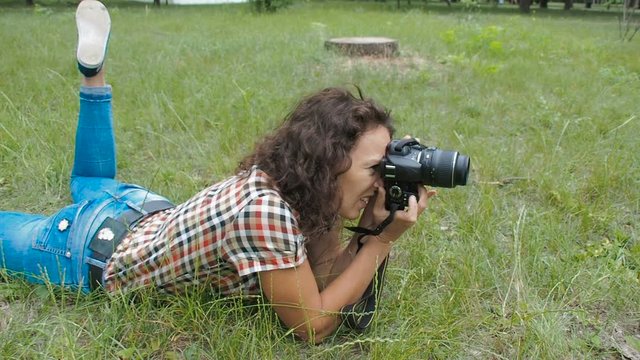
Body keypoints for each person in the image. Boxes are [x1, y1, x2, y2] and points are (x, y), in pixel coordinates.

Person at [0, 0, 436, 343]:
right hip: (86, 251)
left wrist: (370, 229)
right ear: (328, 163)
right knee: (76, 196)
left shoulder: (300, 189)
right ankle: (92, 76)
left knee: (92, 184)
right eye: (375, 169)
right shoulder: (266, 212)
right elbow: (312, 325)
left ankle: (93, 75)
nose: (383, 180)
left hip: (137, 211)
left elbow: (320, 281)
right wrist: (381, 246)